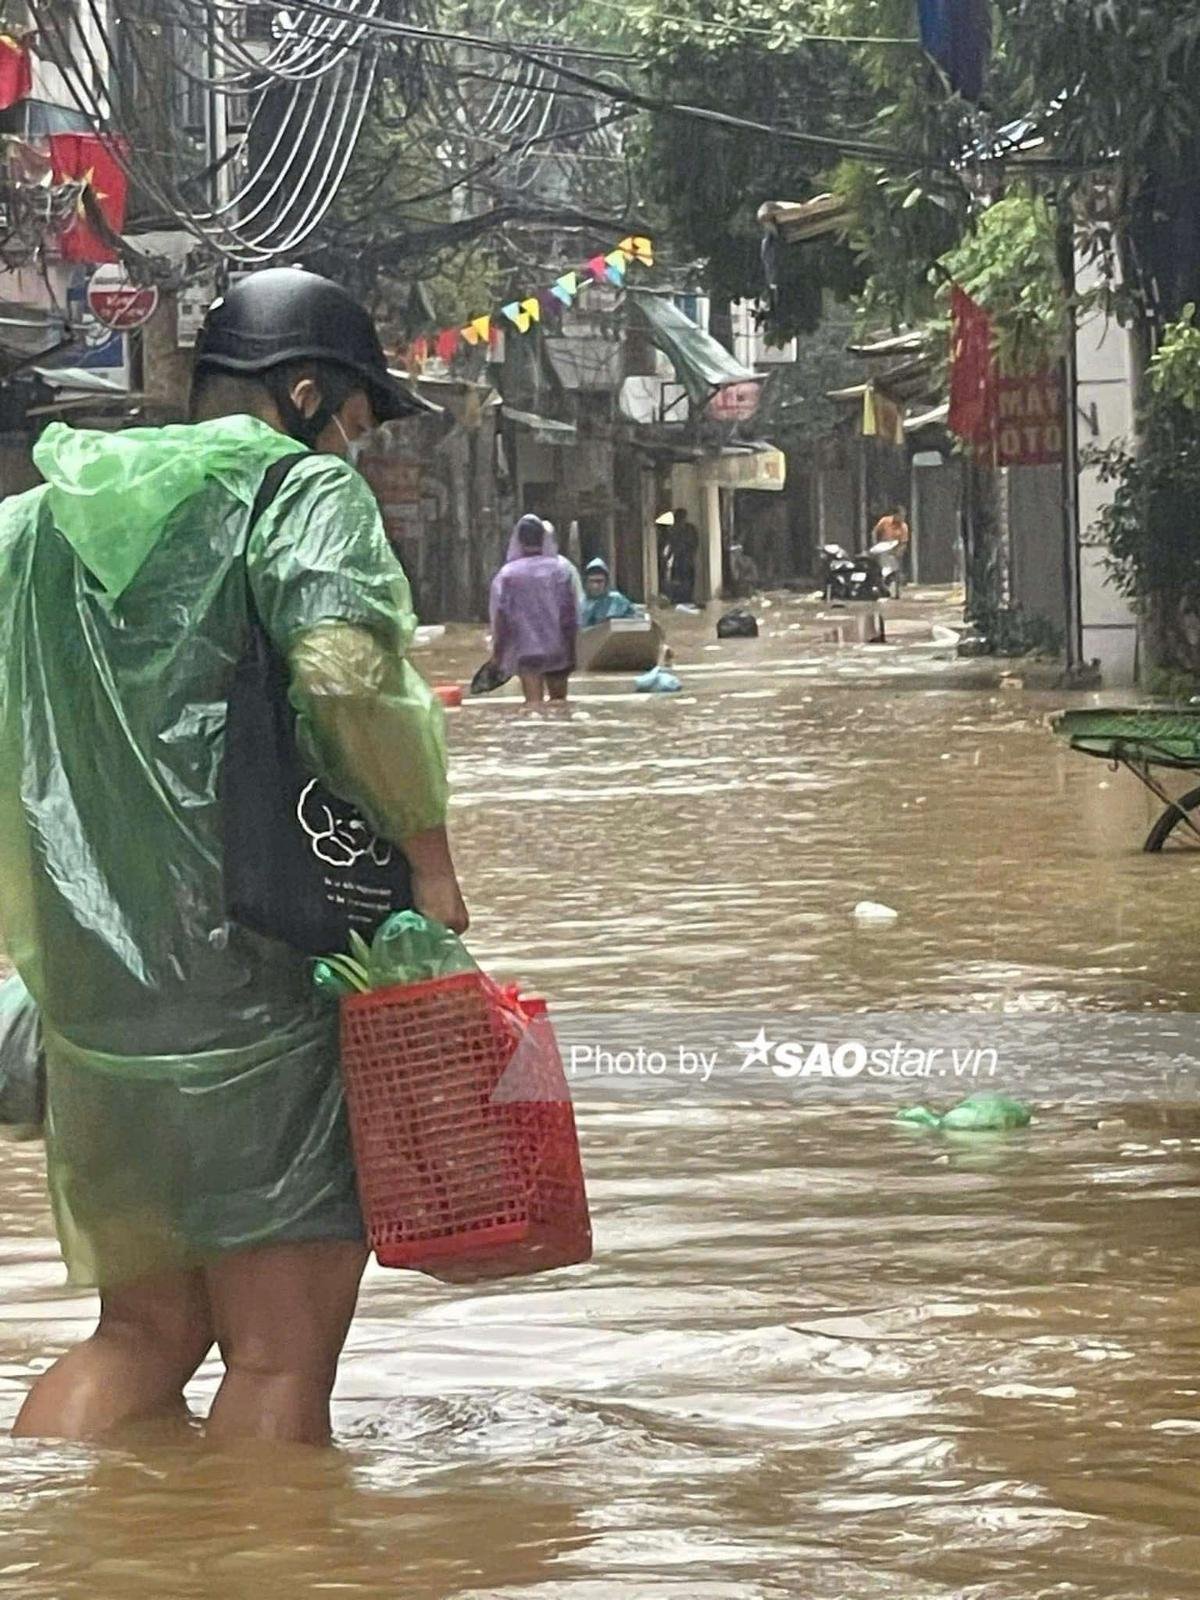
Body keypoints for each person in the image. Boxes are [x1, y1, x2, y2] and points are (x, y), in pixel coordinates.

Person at [0, 267, 468, 1447]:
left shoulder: (39, 519)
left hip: (98, 1006)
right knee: (276, 1362)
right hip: (261, 985)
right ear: (307, 394)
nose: (357, 450)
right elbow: (347, 675)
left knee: (139, 1339)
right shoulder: (298, 493)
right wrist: (428, 853)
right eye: (358, 423)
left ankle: (67, 1543)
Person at [490, 514, 579, 706]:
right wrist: (572, 650)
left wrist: (498, 654)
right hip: (559, 649)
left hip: (527, 652)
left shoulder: (508, 575)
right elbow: (570, 614)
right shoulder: (561, 570)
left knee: (533, 706)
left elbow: (501, 618)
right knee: (560, 705)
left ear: (519, 539)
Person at [581, 557, 638, 627]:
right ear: (586, 582)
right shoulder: (579, 602)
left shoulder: (618, 601)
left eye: (599, 581)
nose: (595, 586)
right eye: (592, 581)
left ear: (606, 582)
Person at [663, 507, 699, 604]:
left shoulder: (689, 529)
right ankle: (679, 599)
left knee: (686, 580)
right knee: (679, 581)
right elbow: (670, 545)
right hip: (679, 560)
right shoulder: (673, 529)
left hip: (685, 559)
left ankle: (686, 598)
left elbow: (694, 543)